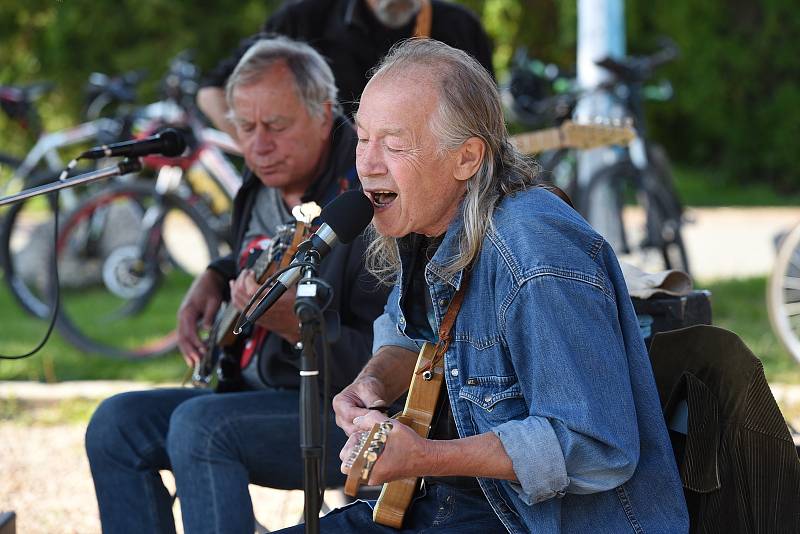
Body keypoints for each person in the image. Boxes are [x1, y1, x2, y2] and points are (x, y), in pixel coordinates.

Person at [275, 38, 690, 533]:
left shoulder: (535, 253)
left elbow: (596, 446)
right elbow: (411, 331)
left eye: (393, 142)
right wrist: (373, 381)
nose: (367, 163)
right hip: (452, 510)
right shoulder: (431, 224)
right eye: (362, 138)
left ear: (467, 158)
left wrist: (426, 457)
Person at [85, 37, 388, 534]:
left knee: (201, 427)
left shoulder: (363, 205)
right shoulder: (262, 180)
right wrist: (215, 275)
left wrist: (299, 328)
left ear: (324, 114)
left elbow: (391, 359)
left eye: (276, 126)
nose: (258, 145)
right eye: (245, 127)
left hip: (339, 415)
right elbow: (257, 252)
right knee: (116, 424)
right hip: (247, 389)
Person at [196, 0, 494, 138]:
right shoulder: (304, 18)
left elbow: (487, 124)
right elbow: (212, 92)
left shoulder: (460, 27)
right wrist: (258, 147)